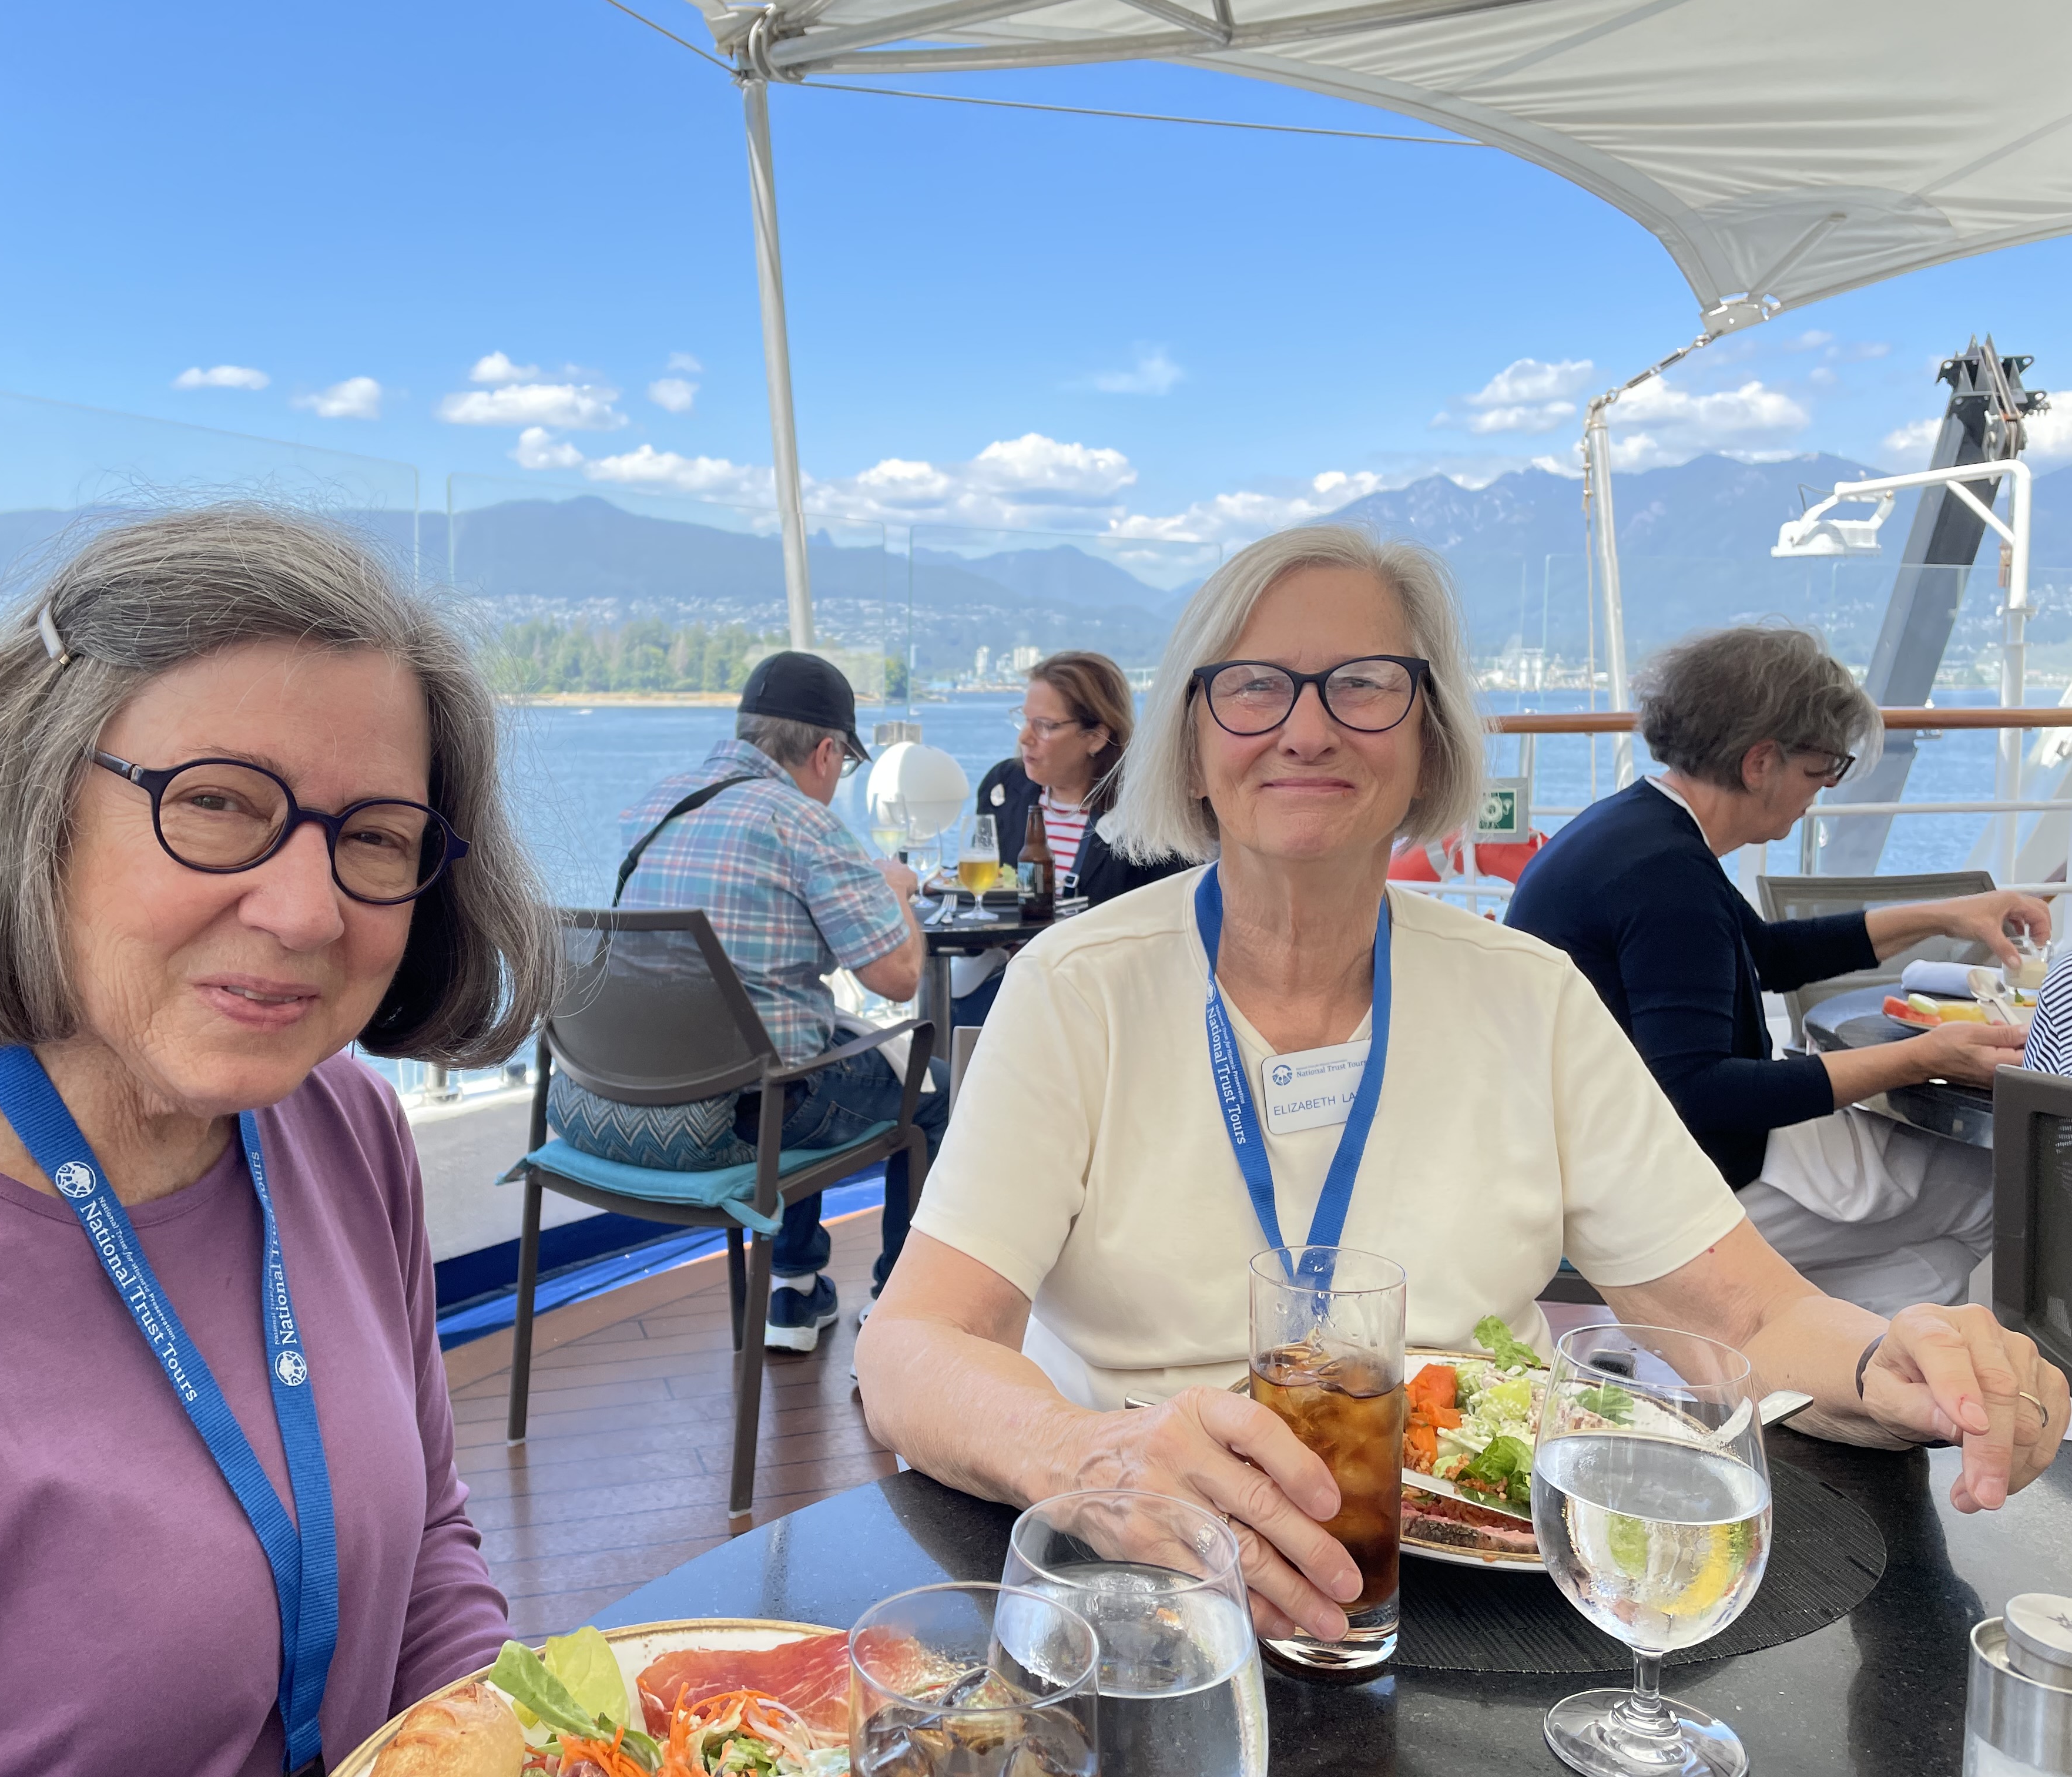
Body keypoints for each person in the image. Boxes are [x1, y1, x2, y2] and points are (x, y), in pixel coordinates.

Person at [856, 524, 2066, 1646]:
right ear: (1192, 740)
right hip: (1162, 1586)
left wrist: (1896, 1363)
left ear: (1431, 737)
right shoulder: (1079, 989)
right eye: (1254, 685)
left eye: (1365, 684)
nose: (1308, 730)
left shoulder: (1529, 997)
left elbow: (1745, 1319)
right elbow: (914, 1344)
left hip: (1491, 1593)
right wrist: (1081, 1455)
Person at [0, 507, 556, 1775]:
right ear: (28, 801)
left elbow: (427, 1539)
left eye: (374, 835)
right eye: (215, 802)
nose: (308, 910)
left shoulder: (340, 1126)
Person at [1505, 625, 2036, 1316]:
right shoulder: (1665, 875)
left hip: (1599, 1161)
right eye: (1821, 771)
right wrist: (1922, 1057)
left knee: (1934, 1265)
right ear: (1761, 762)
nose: (1822, 792)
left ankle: (1823, 1364)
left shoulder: (1635, 830)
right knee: (2005, 1194)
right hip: (1668, 1192)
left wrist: (1945, 915)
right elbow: (1700, 1091)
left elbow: (1769, 955)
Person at [548, 651, 948, 1352]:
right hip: (731, 1125)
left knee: (798, 1037)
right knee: (929, 1093)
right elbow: (897, 977)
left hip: (617, 1106)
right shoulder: (804, 824)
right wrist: (894, 891)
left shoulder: (656, 807)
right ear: (826, 752)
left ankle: (793, 1289)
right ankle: (899, 1310)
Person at [950, 649, 1192, 1026]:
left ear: (1096, 737)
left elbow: (1171, 928)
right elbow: (986, 893)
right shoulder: (1005, 787)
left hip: (1104, 1005)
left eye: (1045, 726)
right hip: (1005, 989)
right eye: (1025, 720)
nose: (1025, 738)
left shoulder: (1148, 814)